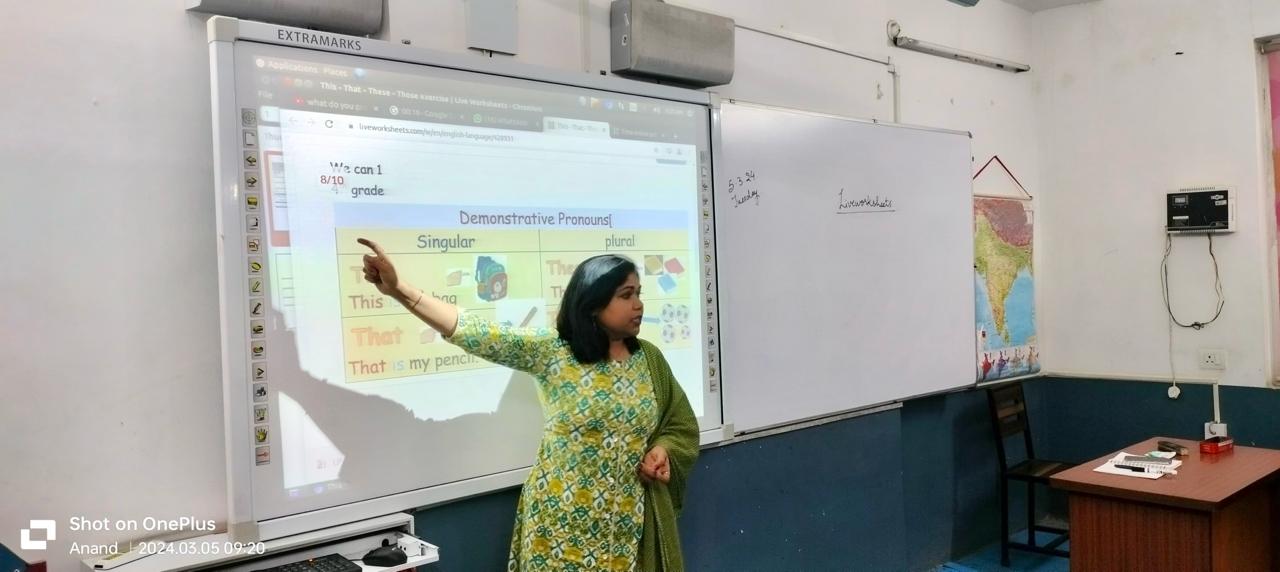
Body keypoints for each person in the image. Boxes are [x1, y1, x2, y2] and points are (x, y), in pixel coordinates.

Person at [358, 238, 699, 572]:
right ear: (593, 303)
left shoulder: (649, 359)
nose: (638, 305)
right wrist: (400, 290)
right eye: (626, 295)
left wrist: (663, 450)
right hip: (560, 529)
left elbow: (678, 423)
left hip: (628, 528)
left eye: (639, 294)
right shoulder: (555, 351)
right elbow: (472, 330)